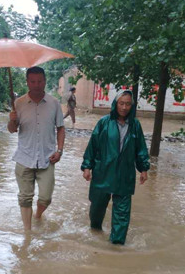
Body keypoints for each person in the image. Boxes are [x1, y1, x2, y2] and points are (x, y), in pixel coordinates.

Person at [81, 88, 150, 245]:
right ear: (115, 104)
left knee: (122, 213)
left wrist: (144, 168)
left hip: (125, 174)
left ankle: (117, 246)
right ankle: (96, 233)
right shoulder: (104, 123)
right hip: (103, 171)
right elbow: (93, 146)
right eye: (121, 103)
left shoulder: (135, 125)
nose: (124, 107)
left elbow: (140, 148)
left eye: (128, 104)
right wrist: (87, 167)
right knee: (97, 208)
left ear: (132, 106)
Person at [8, 66, 65, 230]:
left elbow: (61, 128)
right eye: (32, 81)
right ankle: (27, 233)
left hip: (47, 158)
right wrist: (12, 120)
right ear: (27, 82)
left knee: (46, 198)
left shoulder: (54, 103)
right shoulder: (18, 104)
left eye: (40, 81)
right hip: (24, 157)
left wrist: (59, 151)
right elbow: (12, 130)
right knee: (25, 198)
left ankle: (38, 215)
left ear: (45, 81)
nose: (36, 85)